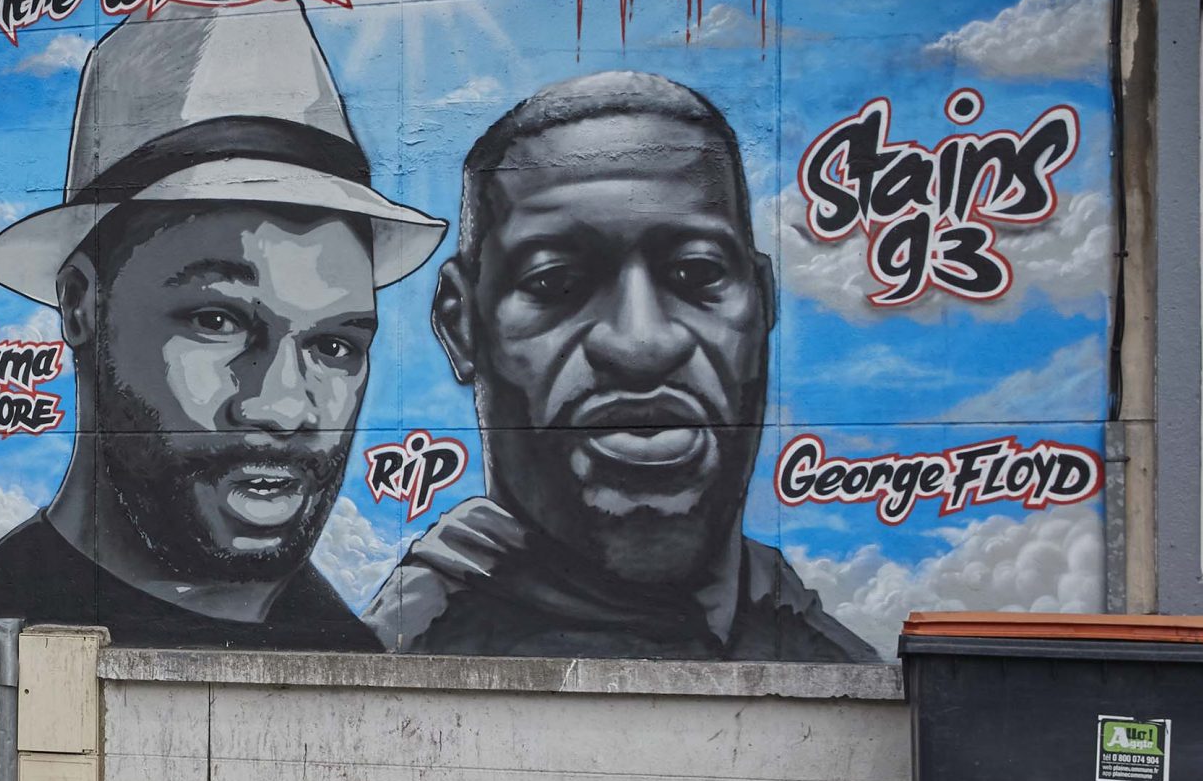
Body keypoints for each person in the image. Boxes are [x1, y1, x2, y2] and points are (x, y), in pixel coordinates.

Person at [0, 0, 445, 648]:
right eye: (218, 320)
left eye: (334, 344)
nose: (283, 406)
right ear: (79, 304)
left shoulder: (347, 650)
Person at [367, 71, 876, 662]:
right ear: (462, 325)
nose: (641, 345)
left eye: (698, 274)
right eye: (554, 282)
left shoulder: (823, 656)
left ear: (761, 301)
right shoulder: (408, 653)